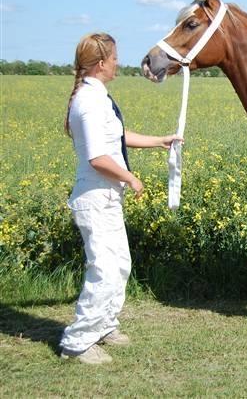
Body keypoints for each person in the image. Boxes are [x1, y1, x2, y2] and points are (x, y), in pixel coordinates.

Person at [59, 33, 181, 365]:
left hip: (108, 198)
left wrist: (160, 141)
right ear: (101, 64)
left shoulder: (98, 98)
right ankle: (78, 341)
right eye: (114, 58)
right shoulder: (88, 102)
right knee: (104, 269)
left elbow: (118, 138)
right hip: (95, 198)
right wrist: (130, 178)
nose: (118, 62)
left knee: (120, 265)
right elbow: (98, 157)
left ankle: (104, 325)